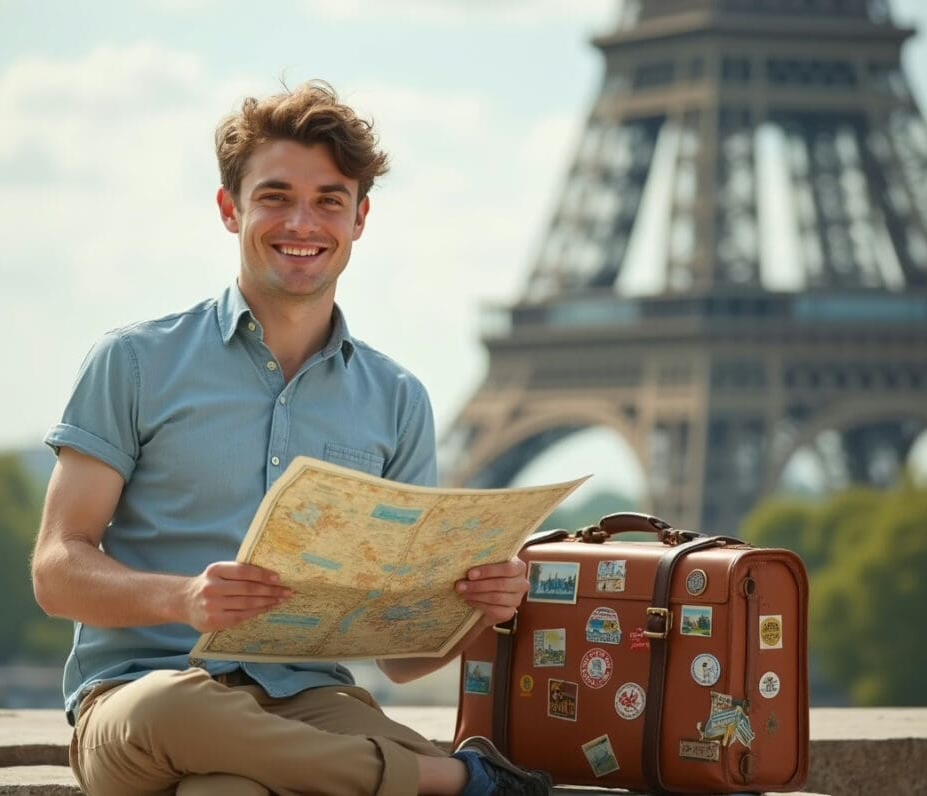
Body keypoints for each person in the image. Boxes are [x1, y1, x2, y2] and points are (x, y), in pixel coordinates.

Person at [31, 80, 552, 796]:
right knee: (171, 707)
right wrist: (183, 600)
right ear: (229, 209)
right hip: (142, 697)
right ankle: (447, 780)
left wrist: (480, 611)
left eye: (329, 200)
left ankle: (433, 777)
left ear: (360, 218)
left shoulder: (397, 400)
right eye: (274, 196)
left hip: (310, 705)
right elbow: (56, 569)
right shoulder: (133, 362)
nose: (302, 222)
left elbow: (399, 661)